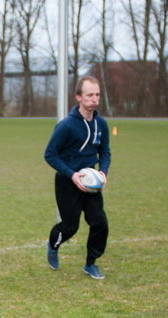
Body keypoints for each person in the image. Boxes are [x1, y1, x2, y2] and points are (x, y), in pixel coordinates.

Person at [44, 75, 111, 280]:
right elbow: (50, 154)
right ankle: (53, 244)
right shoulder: (66, 126)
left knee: (99, 222)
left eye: (97, 95)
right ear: (79, 97)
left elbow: (105, 152)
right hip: (68, 182)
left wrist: (103, 172)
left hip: (92, 185)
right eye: (90, 95)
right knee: (70, 227)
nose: (95, 99)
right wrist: (72, 175)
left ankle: (91, 263)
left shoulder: (102, 124)